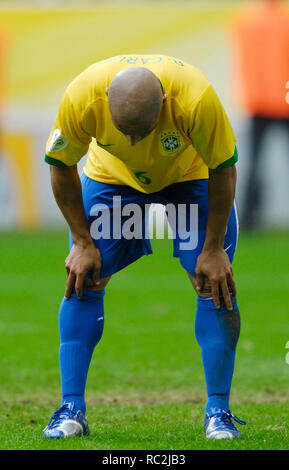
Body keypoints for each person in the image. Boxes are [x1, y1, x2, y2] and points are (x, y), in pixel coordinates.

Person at [43, 54, 245, 440]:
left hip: (190, 176)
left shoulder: (197, 98)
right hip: (111, 178)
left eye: (143, 130)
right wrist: (83, 242)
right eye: (125, 130)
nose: (135, 141)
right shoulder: (81, 96)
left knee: (213, 283)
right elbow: (59, 162)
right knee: (84, 276)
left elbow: (223, 167)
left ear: (166, 103)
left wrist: (215, 247)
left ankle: (219, 411)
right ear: (104, 98)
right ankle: (71, 408)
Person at [230, 0, 289, 230]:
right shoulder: (285, 23)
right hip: (284, 99)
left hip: (258, 100)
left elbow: (242, 62)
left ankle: (249, 217)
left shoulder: (244, 21)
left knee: (254, 163)